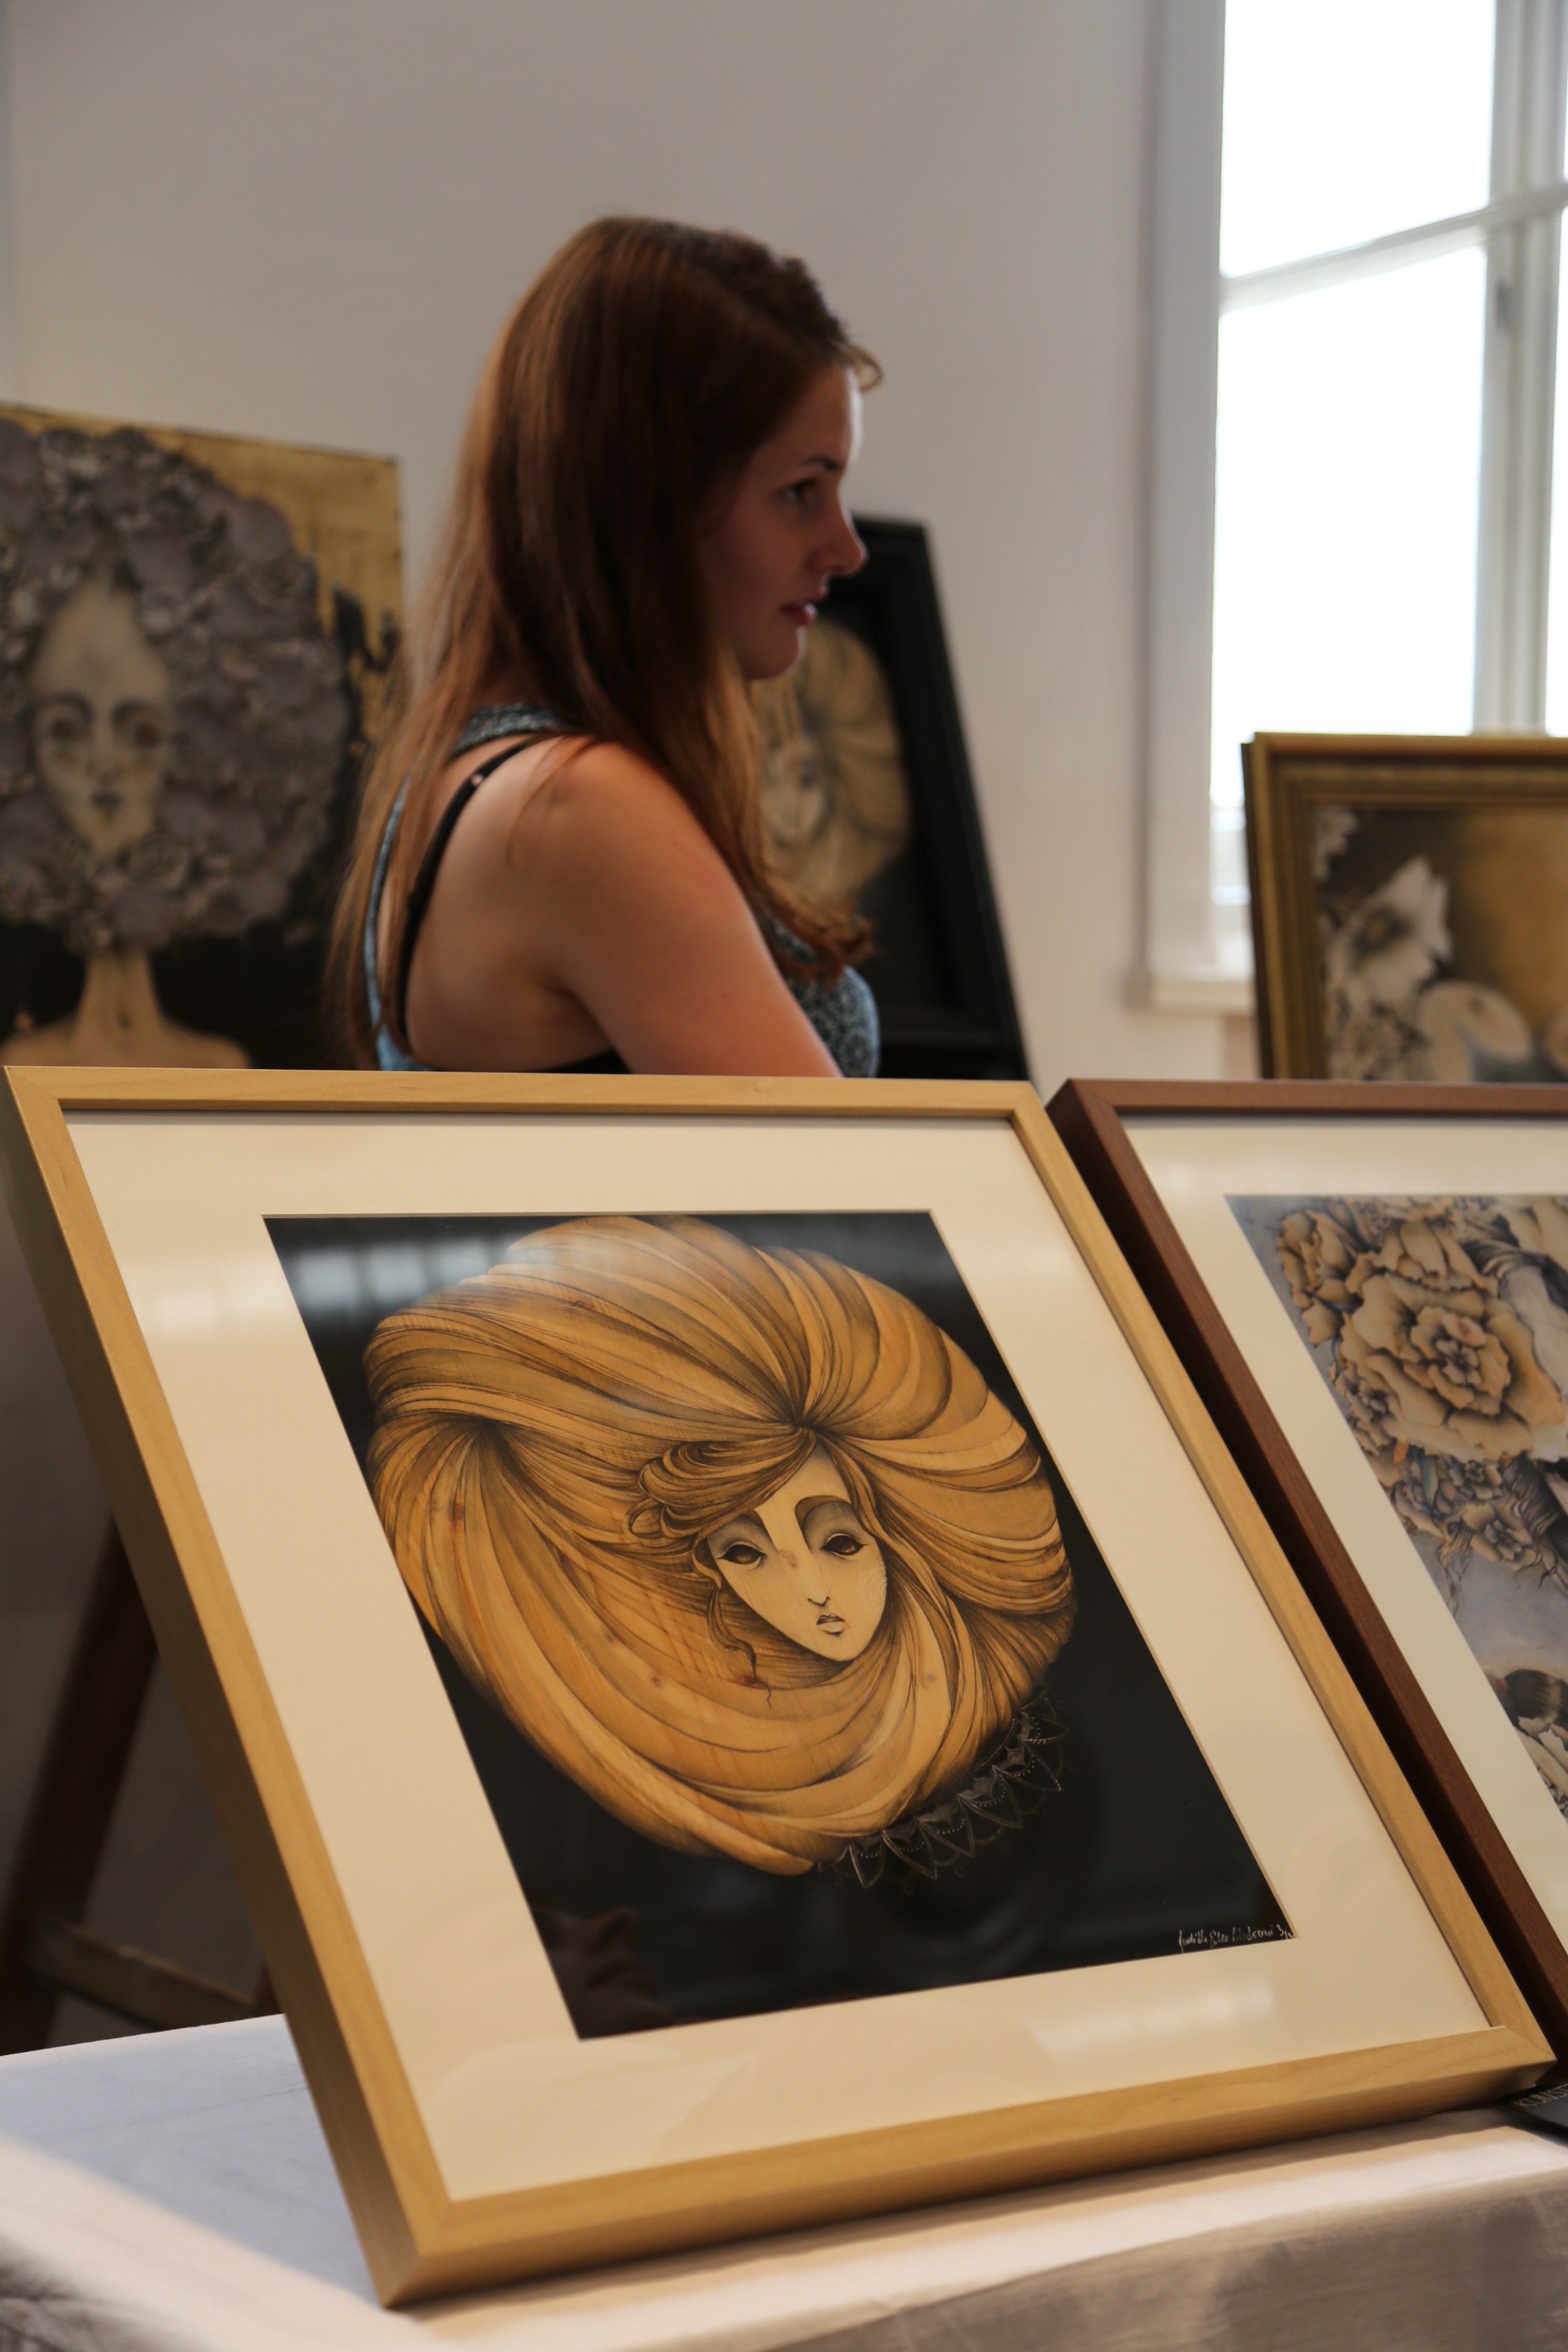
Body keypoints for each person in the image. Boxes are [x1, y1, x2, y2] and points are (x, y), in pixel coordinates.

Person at [329, 217, 885, 1077]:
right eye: (799, 492)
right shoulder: (578, 805)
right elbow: (827, 1162)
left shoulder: (480, 777)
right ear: (647, 505)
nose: (846, 550)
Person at [365, 1215, 1077, 1876]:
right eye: (745, 1554)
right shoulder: (724, 1755)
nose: (812, 1592)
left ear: (893, 1536)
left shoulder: (973, 1680)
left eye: (838, 1540)